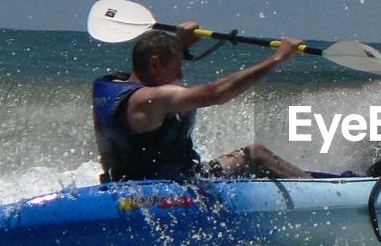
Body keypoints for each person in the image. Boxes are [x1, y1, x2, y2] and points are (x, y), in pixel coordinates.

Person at [94, 22, 312, 182]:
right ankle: (325, 192)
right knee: (255, 155)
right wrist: (277, 59)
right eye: (176, 66)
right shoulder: (152, 99)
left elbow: (155, 67)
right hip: (167, 189)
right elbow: (216, 93)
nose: (179, 74)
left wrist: (178, 45)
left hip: (124, 183)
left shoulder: (113, 85)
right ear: (154, 63)